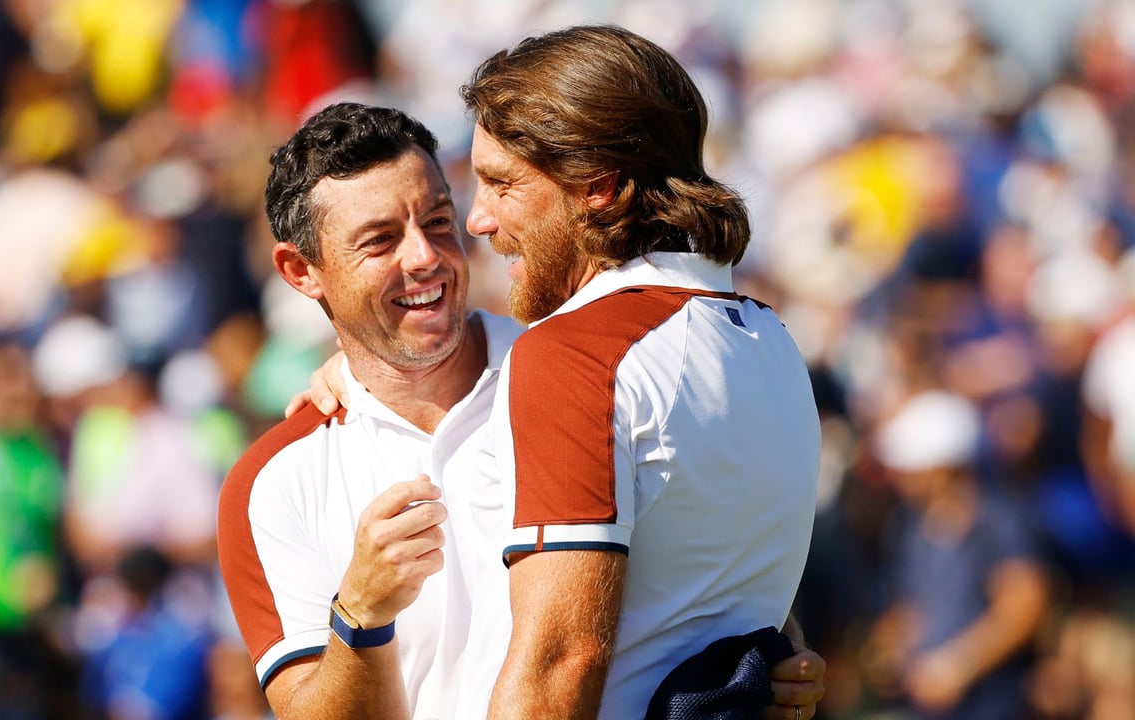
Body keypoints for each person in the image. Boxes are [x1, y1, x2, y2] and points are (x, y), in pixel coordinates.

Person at [217, 102, 824, 720]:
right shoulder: (272, 482)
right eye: (380, 241)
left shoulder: (593, 370)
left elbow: (703, 555)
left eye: (437, 221)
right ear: (301, 271)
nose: (424, 257)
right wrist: (360, 617)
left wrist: (765, 647)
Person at [450, 25, 822, 720]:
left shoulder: (575, 355)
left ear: (601, 188)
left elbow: (563, 660)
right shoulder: (772, 340)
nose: (477, 219)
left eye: (501, 184)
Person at [865, 390, 1049, 719]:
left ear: (944, 466)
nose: (900, 476)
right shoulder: (909, 528)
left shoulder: (1000, 521)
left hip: (994, 706)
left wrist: (957, 667)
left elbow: (1024, 605)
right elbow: (911, 609)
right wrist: (891, 647)